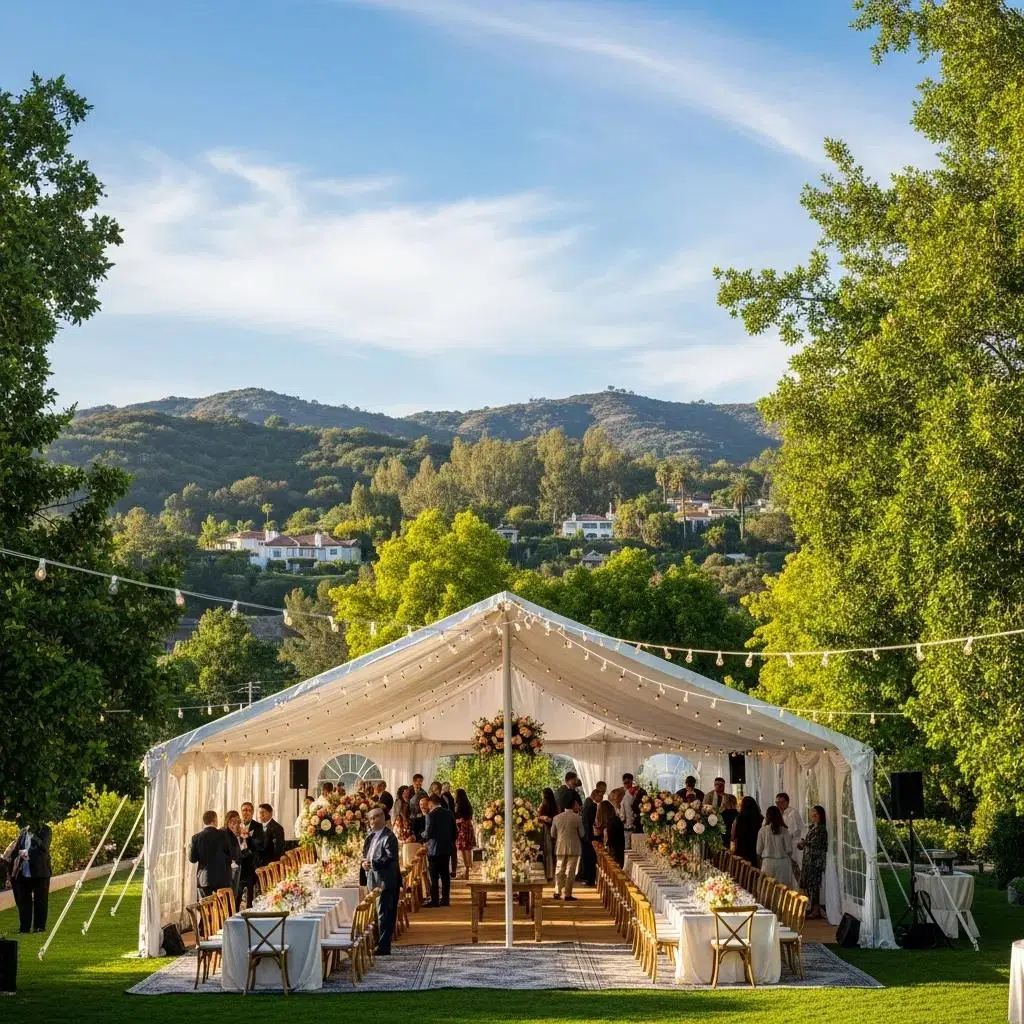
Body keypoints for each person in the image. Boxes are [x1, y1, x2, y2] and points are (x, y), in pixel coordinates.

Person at [361, 807, 401, 954]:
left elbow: (390, 858)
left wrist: (373, 864)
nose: (373, 821)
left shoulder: (389, 837)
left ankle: (384, 947)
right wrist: (364, 864)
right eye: (370, 818)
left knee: (384, 914)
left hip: (385, 881)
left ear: (383, 818)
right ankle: (377, 943)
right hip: (373, 879)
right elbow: (365, 855)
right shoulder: (370, 837)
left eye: (376, 817)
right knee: (376, 914)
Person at [10, 822, 52, 933]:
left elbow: (44, 847)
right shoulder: (23, 831)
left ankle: (39, 927)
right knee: (23, 901)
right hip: (24, 871)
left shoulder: (45, 829)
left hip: (41, 871)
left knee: (41, 900)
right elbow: (17, 848)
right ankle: (24, 928)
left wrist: (33, 836)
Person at [189, 810, 235, 899]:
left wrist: (190, 847)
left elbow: (192, 859)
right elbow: (231, 854)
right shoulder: (224, 834)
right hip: (223, 877)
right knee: (223, 905)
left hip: (204, 879)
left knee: (206, 905)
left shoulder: (196, 838)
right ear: (215, 820)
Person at [422, 795, 457, 906]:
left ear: (431, 803)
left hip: (434, 849)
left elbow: (428, 833)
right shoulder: (448, 813)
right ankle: (445, 899)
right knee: (445, 874)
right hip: (446, 848)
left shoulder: (430, 815)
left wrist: (421, 835)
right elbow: (455, 831)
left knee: (434, 876)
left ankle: (435, 900)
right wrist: (450, 842)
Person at [551, 795, 585, 901]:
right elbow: (582, 834)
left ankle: (557, 891)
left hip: (560, 846)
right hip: (574, 846)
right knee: (570, 871)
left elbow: (552, 834)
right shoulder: (578, 818)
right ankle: (567, 894)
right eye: (577, 804)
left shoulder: (556, 818)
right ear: (573, 805)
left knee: (559, 869)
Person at [798, 805, 828, 918]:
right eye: (812, 813)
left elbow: (818, 843)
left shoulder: (821, 829)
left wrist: (805, 842)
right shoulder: (812, 827)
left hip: (815, 861)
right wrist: (803, 844)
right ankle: (812, 908)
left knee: (814, 886)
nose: (813, 815)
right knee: (808, 885)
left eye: (815, 814)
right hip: (808, 860)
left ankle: (816, 910)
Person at [757, 805, 794, 886]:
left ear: (767, 816)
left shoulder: (762, 830)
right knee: (783, 890)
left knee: (768, 888)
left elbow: (758, 850)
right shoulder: (784, 830)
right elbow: (789, 850)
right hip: (783, 863)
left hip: (768, 863)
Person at [238, 802, 264, 907]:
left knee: (250, 893)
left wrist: (248, 837)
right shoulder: (236, 825)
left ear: (252, 812)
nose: (246, 812)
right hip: (238, 862)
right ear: (241, 811)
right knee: (238, 891)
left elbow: (259, 844)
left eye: (249, 810)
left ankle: (249, 909)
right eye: (244, 810)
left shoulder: (258, 826)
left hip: (251, 862)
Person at [776, 793, 805, 875]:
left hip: (792, 846)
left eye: (781, 802)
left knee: (793, 871)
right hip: (782, 847)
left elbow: (790, 832)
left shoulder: (793, 813)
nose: (779, 805)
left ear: (787, 802)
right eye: (777, 803)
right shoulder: (777, 814)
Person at [577, 788, 600, 886]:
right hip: (589, 835)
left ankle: (585, 876)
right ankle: (589, 878)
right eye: (600, 796)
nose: (601, 798)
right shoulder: (592, 805)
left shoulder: (587, 802)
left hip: (584, 835)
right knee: (590, 857)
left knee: (586, 857)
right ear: (595, 795)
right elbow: (590, 822)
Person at [596, 793, 626, 866]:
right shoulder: (617, 820)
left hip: (613, 861)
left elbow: (608, 846)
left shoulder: (607, 826)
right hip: (621, 856)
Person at [733, 795, 763, 866]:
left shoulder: (740, 817)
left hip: (742, 847)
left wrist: (735, 848)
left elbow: (735, 834)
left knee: (743, 868)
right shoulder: (760, 818)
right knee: (754, 868)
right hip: (755, 846)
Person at [222, 810, 244, 901]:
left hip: (237, 867)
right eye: (234, 821)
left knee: (235, 894)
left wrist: (241, 837)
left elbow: (242, 850)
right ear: (228, 822)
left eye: (239, 821)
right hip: (228, 869)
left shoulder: (238, 833)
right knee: (230, 897)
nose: (237, 824)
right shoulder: (222, 833)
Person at [454, 788, 476, 879]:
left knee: (463, 849)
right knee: (468, 848)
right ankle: (468, 870)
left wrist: (454, 821)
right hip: (469, 826)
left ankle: (466, 870)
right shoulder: (468, 804)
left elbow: (460, 818)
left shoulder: (458, 805)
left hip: (462, 827)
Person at [537, 787, 558, 881]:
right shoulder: (554, 805)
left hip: (544, 828)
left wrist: (541, 817)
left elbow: (540, 816)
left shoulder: (544, 803)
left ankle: (546, 873)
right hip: (551, 829)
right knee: (549, 852)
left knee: (546, 850)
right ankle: (549, 873)